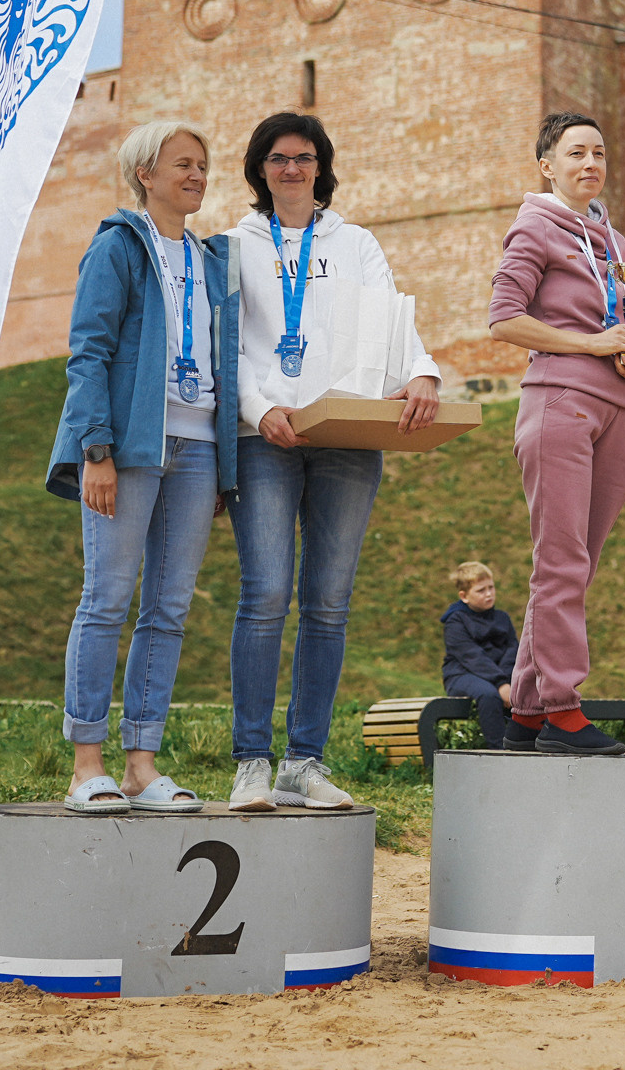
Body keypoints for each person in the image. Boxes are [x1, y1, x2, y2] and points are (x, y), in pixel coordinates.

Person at [218, 112, 441, 811]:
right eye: (279, 158)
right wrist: (258, 411)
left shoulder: (355, 242)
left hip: (346, 433)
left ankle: (304, 763)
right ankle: (252, 760)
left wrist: (423, 371)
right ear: (259, 168)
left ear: (322, 166)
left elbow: (390, 320)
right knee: (265, 597)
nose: (292, 169)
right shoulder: (231, 245)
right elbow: (230, 342)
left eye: (305, 158)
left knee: (329, 605)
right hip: (267, 438)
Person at [46, 120, 236, 815]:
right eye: (181, 164)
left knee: (169, 609)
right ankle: (86, 764)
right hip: (130, 450)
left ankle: (142, 765)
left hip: (198, 450)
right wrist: (95, 450)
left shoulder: (214, 262)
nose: (196, 174)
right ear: (144, 176)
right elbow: (88, 352)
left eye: (202, 165)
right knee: (107, 599)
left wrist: (226, 464)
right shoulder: (117, 248)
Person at [487, 111, 625, 756]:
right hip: (559, 402)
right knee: (559, 564)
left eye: (599, 153)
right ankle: (563, 709)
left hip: (619, 409)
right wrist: (589, 343)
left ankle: (526, 713)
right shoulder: (535, 226)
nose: (590, 163)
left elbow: (622, 326)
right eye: (576, 152)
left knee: (575, 570)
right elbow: (504, 319)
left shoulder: (610, 238)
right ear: (547, 165)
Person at [441, 561, 521, 750]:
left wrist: (508, 680)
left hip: (499, 676)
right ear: (464, 596)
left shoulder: (502, 618)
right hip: (462, 675)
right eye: (481, 590)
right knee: (488, 695)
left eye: (491, 588)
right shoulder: (456, 621)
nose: (489, 594)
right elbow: (471, 656)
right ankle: (499, 751)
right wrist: (501, 683)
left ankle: (524, 745)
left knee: (528, 692)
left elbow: (513, 649)